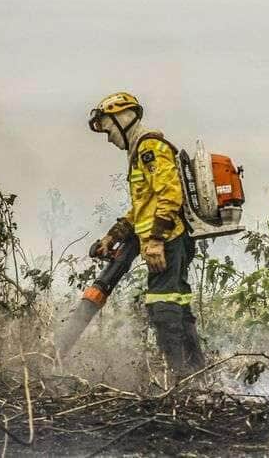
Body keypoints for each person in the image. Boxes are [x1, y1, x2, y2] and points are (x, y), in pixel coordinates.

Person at [87, 91, 205, 378]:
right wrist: (113, 235)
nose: (109, 138)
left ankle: (181, 382)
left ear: (123, 118)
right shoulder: (140, 151)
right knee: (177, 307)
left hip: (168, 240)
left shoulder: (149, 147)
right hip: (167, 239)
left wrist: (154, 240)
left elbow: (170, 194)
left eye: (109, 129)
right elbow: (143, 208)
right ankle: (197, 377)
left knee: (163, 307)